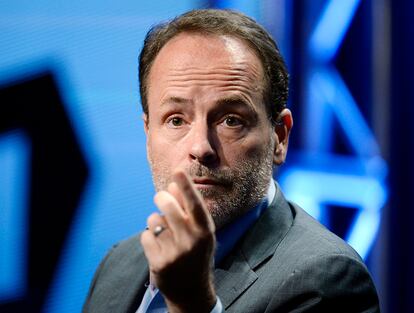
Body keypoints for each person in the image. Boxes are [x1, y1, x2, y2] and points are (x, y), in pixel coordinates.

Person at [82, 9, 380, 313]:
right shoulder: (118, 264)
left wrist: (192, 304)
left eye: (230, 120)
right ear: (148, 134)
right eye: (175, 120)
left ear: (279, 137)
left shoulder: (328, 280)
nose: (200, 147)